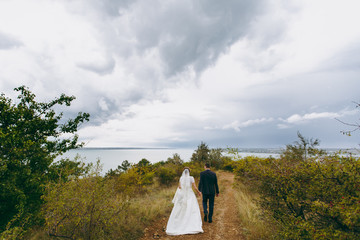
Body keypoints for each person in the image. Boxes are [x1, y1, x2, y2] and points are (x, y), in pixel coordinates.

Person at [165, 167, 203, 235]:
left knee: (181, 208)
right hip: (190, 194)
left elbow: (179, 187)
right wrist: (198, 192)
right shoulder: (191, 178)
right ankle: (191, 222)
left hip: (182, 195)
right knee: (192, 208)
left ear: (184, 172)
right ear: (189, 171)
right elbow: (194, 187)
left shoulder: (181, 178)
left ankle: (179, 221)